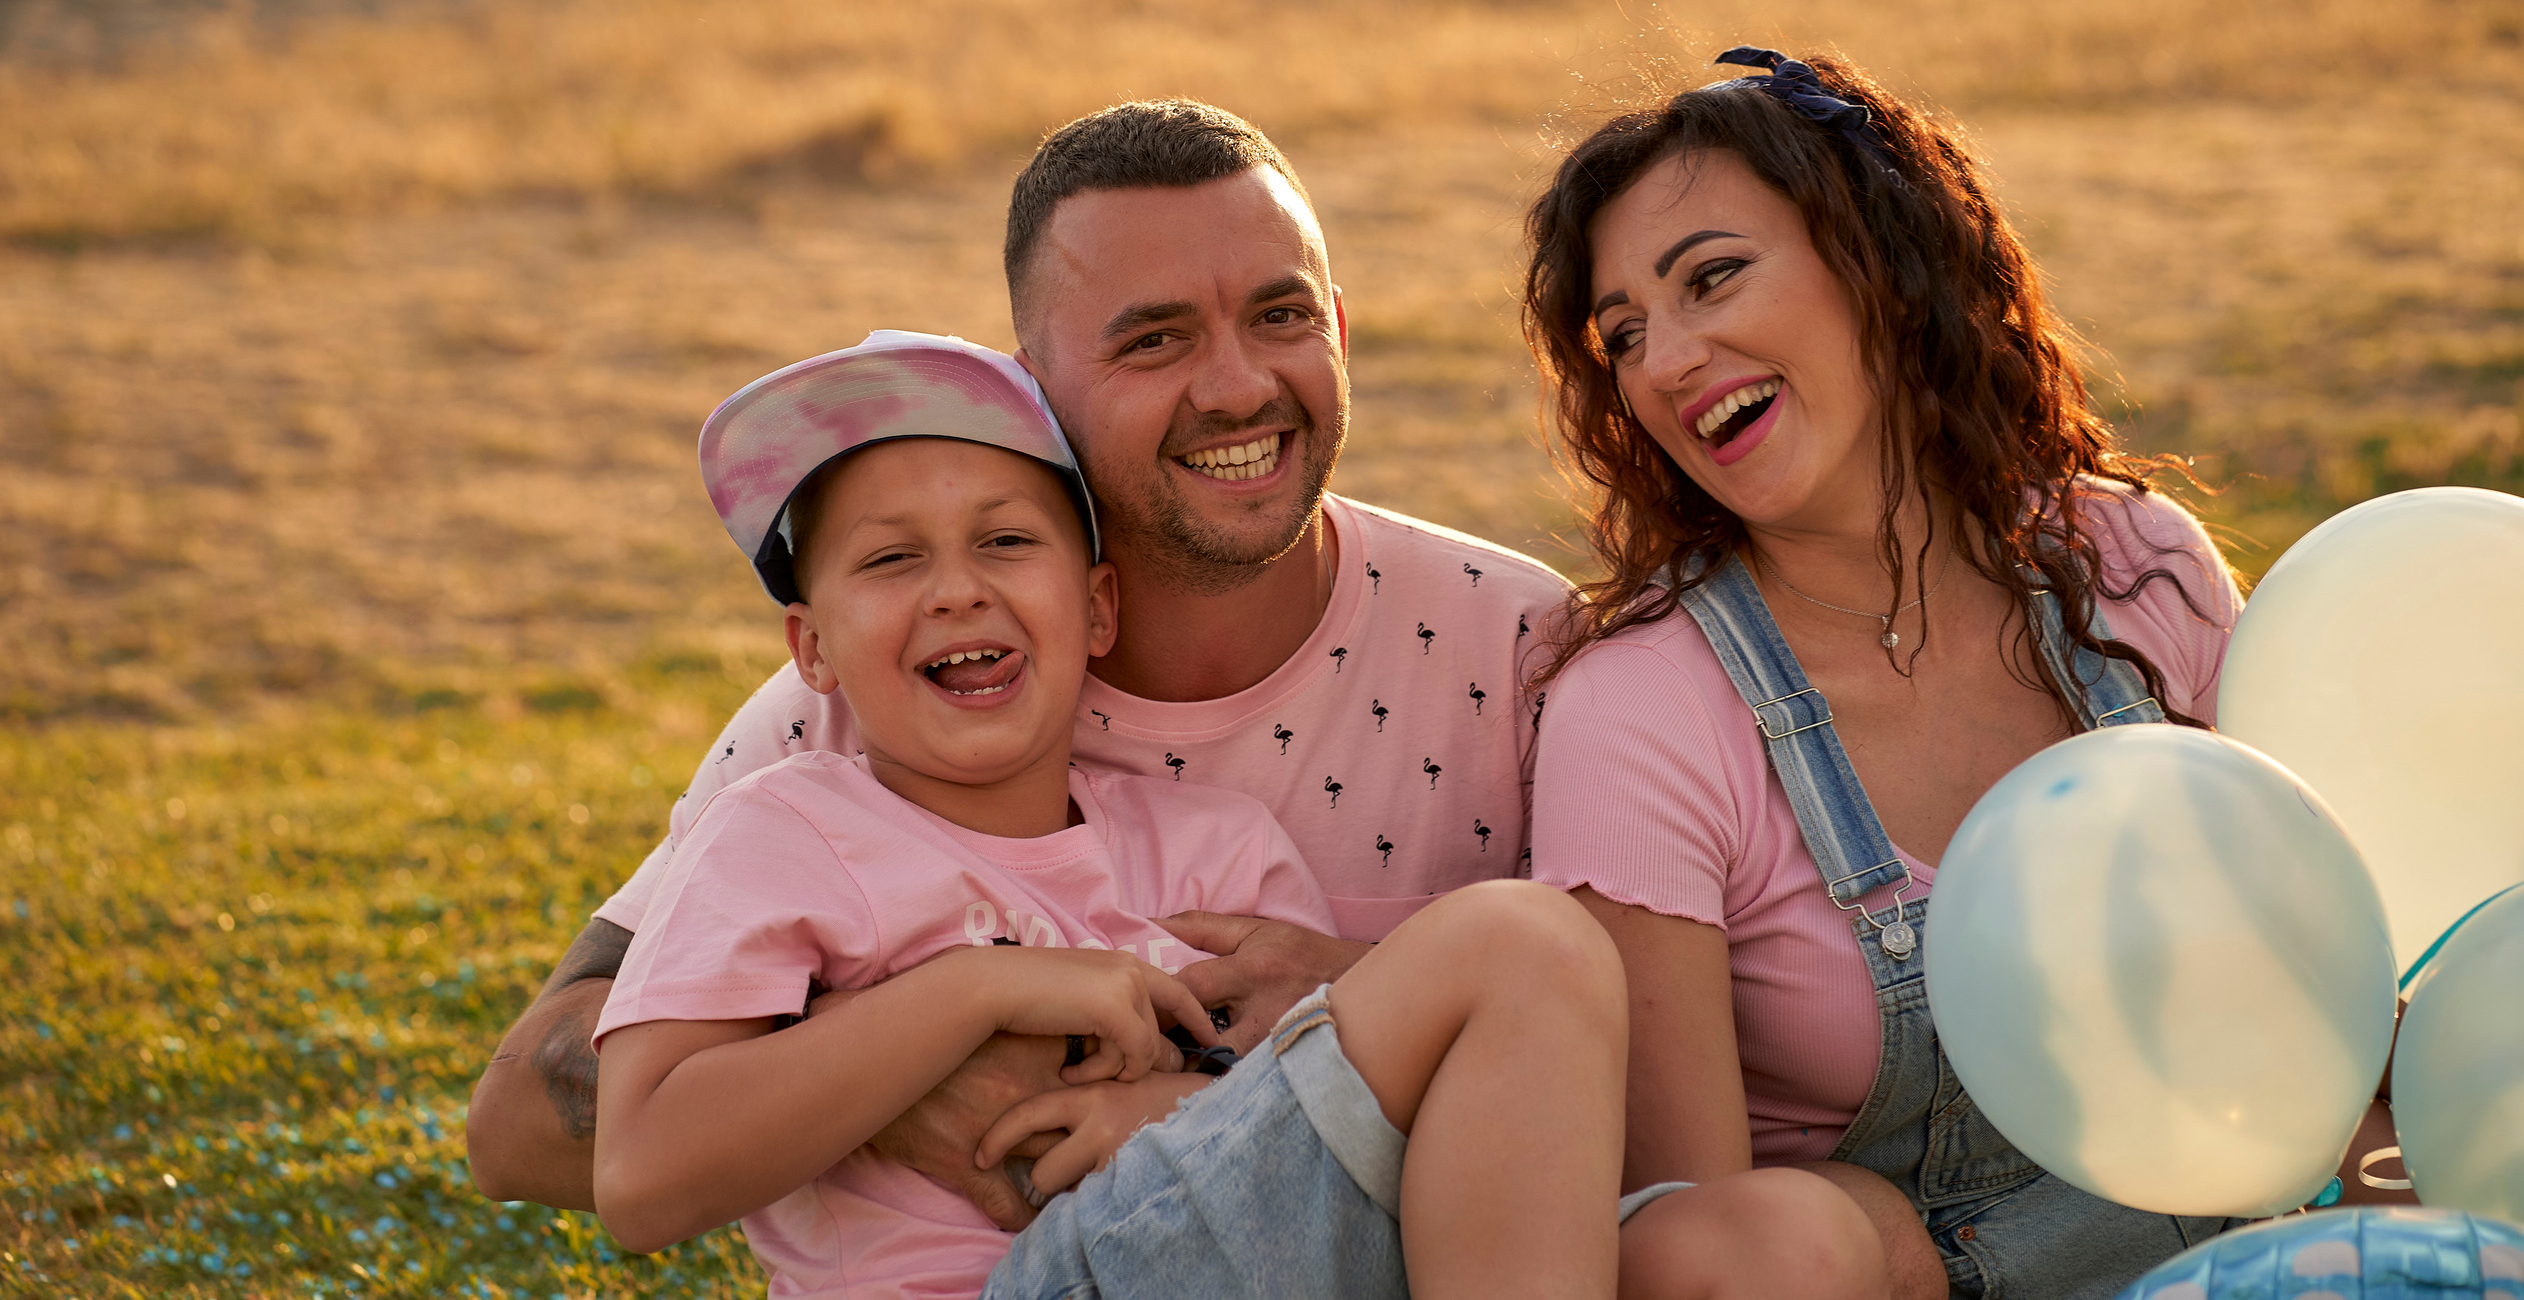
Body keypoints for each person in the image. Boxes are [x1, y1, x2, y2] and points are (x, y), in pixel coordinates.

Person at [469, 101, 1565, 1221]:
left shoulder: (1523, 653)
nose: (1237, 387)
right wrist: (906, 1070)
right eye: (1155, 338)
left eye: (1281, 316)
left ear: (1338, 326)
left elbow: (1667, 1068)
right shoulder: (869, 706)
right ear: (1031, 385)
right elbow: (515, 1130)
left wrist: (1360, 1004)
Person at [592, 331, 1850, 1300]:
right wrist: (971, 991)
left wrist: (1179, 1115)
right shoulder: (783, 829)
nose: (957, 592)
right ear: (809, 648)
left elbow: (1312, 1132)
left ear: (1096, 609)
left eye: (1004, 542)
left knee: (1781, 1233)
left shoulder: (1211, 849)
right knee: (1522, 944)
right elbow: (641, 1177)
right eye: (888, 560)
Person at [1516, 47, 2281, 1300]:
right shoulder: (1640, 717)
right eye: (1623, 337)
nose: (1663, 363)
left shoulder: (2134, 564)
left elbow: (2329, 982)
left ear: (1877, 257)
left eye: (1713, 277)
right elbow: (1704, 1247)